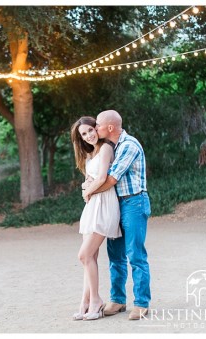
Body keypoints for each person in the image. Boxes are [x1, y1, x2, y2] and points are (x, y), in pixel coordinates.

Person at [84, 109, 151, 321]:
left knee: (135, 254)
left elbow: (111, 179)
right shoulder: (112, 147)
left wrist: (89, 191)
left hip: (133, 202)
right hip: (116, 203)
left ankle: (141, 303)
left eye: (98, 126)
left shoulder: (129, 145)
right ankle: (118, 299)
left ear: (110, 128)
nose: (96, 129)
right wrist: (88, 185)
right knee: (115, 254)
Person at [70, 116, 121, 321]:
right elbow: (89, 181)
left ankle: (96, 300)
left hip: (105, 204)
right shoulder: (90, 155)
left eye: (91, 130)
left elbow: (101, 179)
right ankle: (85, 302)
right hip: (92, 206)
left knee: (84, 255)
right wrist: (86, 188)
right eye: (84, 134)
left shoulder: (106, 148)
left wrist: (86, 191)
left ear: (97, 128)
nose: (89, 135)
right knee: (89, 258)